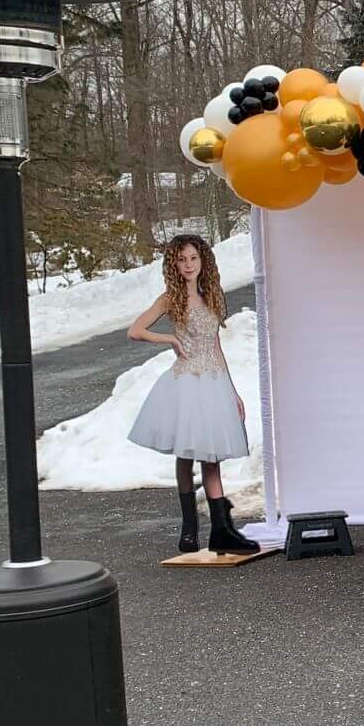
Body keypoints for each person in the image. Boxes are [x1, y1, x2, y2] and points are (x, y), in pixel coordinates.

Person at [126, 234, 257, 555]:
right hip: (186, 382)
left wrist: (232, 390)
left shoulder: (210, 295)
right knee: (186, 456)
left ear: (203, 262)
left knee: (211, 458)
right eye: (182, 260)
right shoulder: (171, 299)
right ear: (174, 264)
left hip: (213, 382)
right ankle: (189, 529)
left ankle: (222, 530)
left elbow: (215, 345)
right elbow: (135, 330)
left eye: (193, 259)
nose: (188, 265)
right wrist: (169, 339)